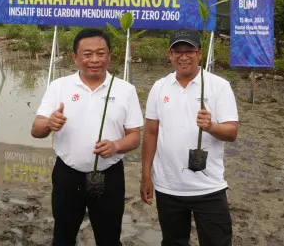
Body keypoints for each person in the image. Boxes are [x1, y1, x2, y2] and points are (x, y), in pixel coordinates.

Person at [31, 28, 144, 245]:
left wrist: (116, 145)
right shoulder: (59, 86)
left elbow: (134, 137)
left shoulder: (125, 90)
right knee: (63, 236)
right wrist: (49, 123)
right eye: (87, 54)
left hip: (109, 176)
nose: (94, 60)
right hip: (67, 175)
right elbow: (36, 130)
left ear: (110, 56)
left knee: (109, 238)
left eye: (101, 54)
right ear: (75, 57)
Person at [141, 28, 239, 246]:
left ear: (200, 53)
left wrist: (212, 126)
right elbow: (150, 133)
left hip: (209, 187)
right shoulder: (159, 87)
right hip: (168, 187)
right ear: (170, 54)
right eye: (177, 52)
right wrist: (146, 175)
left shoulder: (219, 86)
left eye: (189, 51)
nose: (183, 57)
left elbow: (231, 132)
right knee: (173, 241)